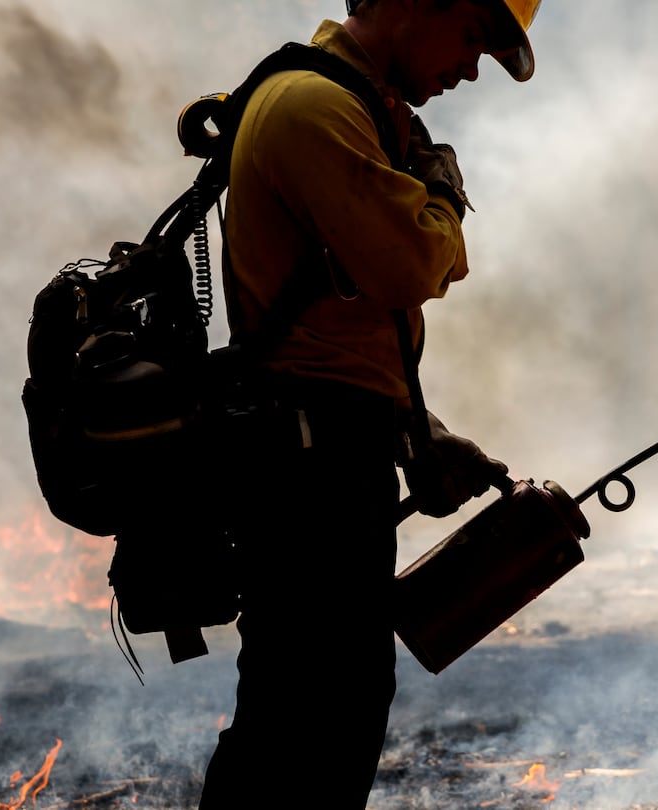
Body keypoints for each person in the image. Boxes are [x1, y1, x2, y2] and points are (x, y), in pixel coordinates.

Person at [196, 0, 541, 806]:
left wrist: (415, 431)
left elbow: (338, 331)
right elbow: (412, 264)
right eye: (470, 36)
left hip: (330, 459)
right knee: (301, 721)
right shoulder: (314, 108)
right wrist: (444, 190)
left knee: (331, 710)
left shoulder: (350, 107)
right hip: (303, 476)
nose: (468, 68)